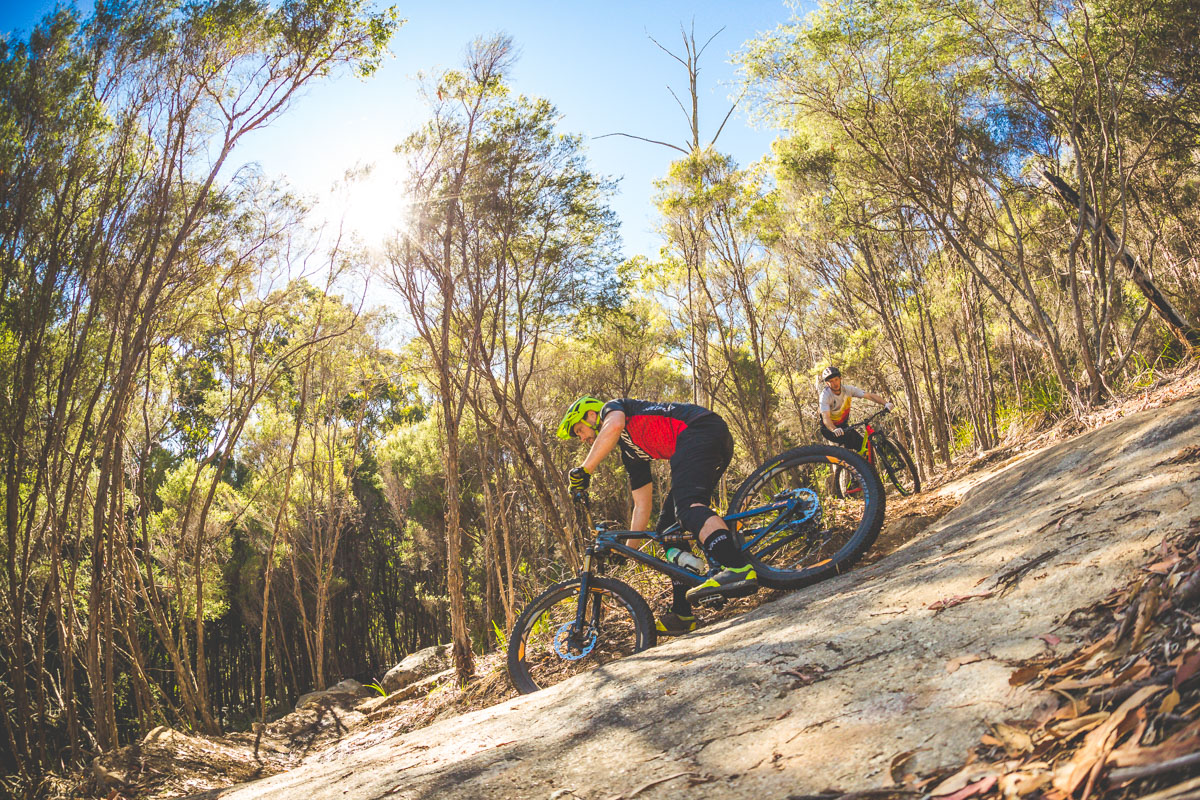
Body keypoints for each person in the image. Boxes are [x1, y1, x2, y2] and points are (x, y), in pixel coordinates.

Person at [557, 396, 757, 635]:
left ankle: (736, 567)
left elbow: (615, 424)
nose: (582, 438)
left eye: (580, 430)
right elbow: (642, 506)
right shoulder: (631, 453)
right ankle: (683, 613)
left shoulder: (613, 409)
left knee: (688, 508)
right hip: (707, 438)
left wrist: (585, 470)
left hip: (699, 431)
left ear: (592, 415)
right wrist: (628, 551)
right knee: (667, 528)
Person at [817, 366, 892, 454]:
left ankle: (860, 465)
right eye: (831, 381)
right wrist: (834, 429)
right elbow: (826, 418)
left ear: (840, 379)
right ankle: (854, 465)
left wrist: (885, 403)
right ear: (827, 383)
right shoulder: (825, 396)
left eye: (836, 379)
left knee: (866, 449)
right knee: (852, 442)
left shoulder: (848, 390)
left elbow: (869, 395)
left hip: (843, 426)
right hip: (829, 430)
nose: (835, 383)